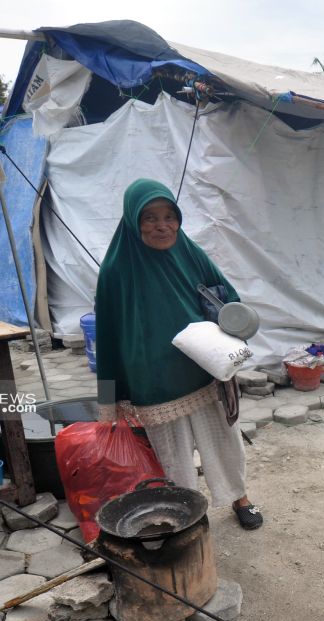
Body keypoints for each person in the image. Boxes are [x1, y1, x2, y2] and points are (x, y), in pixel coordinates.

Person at [94, 179, 264, 530]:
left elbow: (227, 297)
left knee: (223, 442)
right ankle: (187, 512)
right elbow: (107, 339)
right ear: (132, 220)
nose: (163, 225)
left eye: (170, 216)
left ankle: (239, 497)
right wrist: (108, 400)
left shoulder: (189, 252)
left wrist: (225, 327)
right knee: (174, 458)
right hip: (153, 384)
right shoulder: (115, 272)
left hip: (202, 371)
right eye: (150, 218)